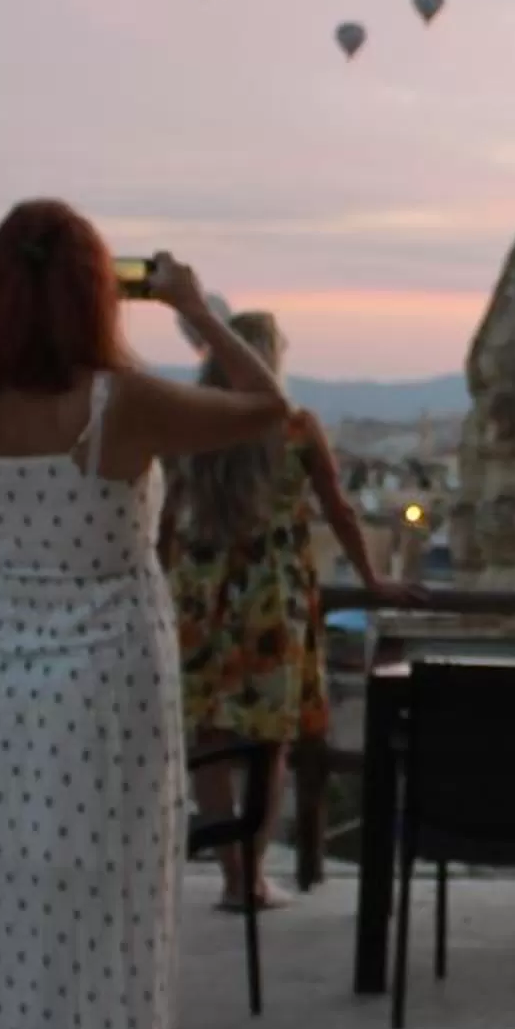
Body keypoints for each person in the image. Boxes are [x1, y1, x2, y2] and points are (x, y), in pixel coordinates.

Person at [0, 200, 290, 1029]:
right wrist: (196, 309)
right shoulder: (115, 403)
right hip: (106, 673)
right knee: (111, 906)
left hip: (6, 668)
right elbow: (267, 406)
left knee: (7, 901)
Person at [162, 311, 413, 913]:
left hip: (200, 595)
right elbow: (339, 508)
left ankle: (229, 875)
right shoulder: (295, 427)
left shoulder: (190, 422)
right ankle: (252, 878)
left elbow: (166, 517)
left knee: (210, 738)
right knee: (269, 743)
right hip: (272, 599)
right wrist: (373, 578)